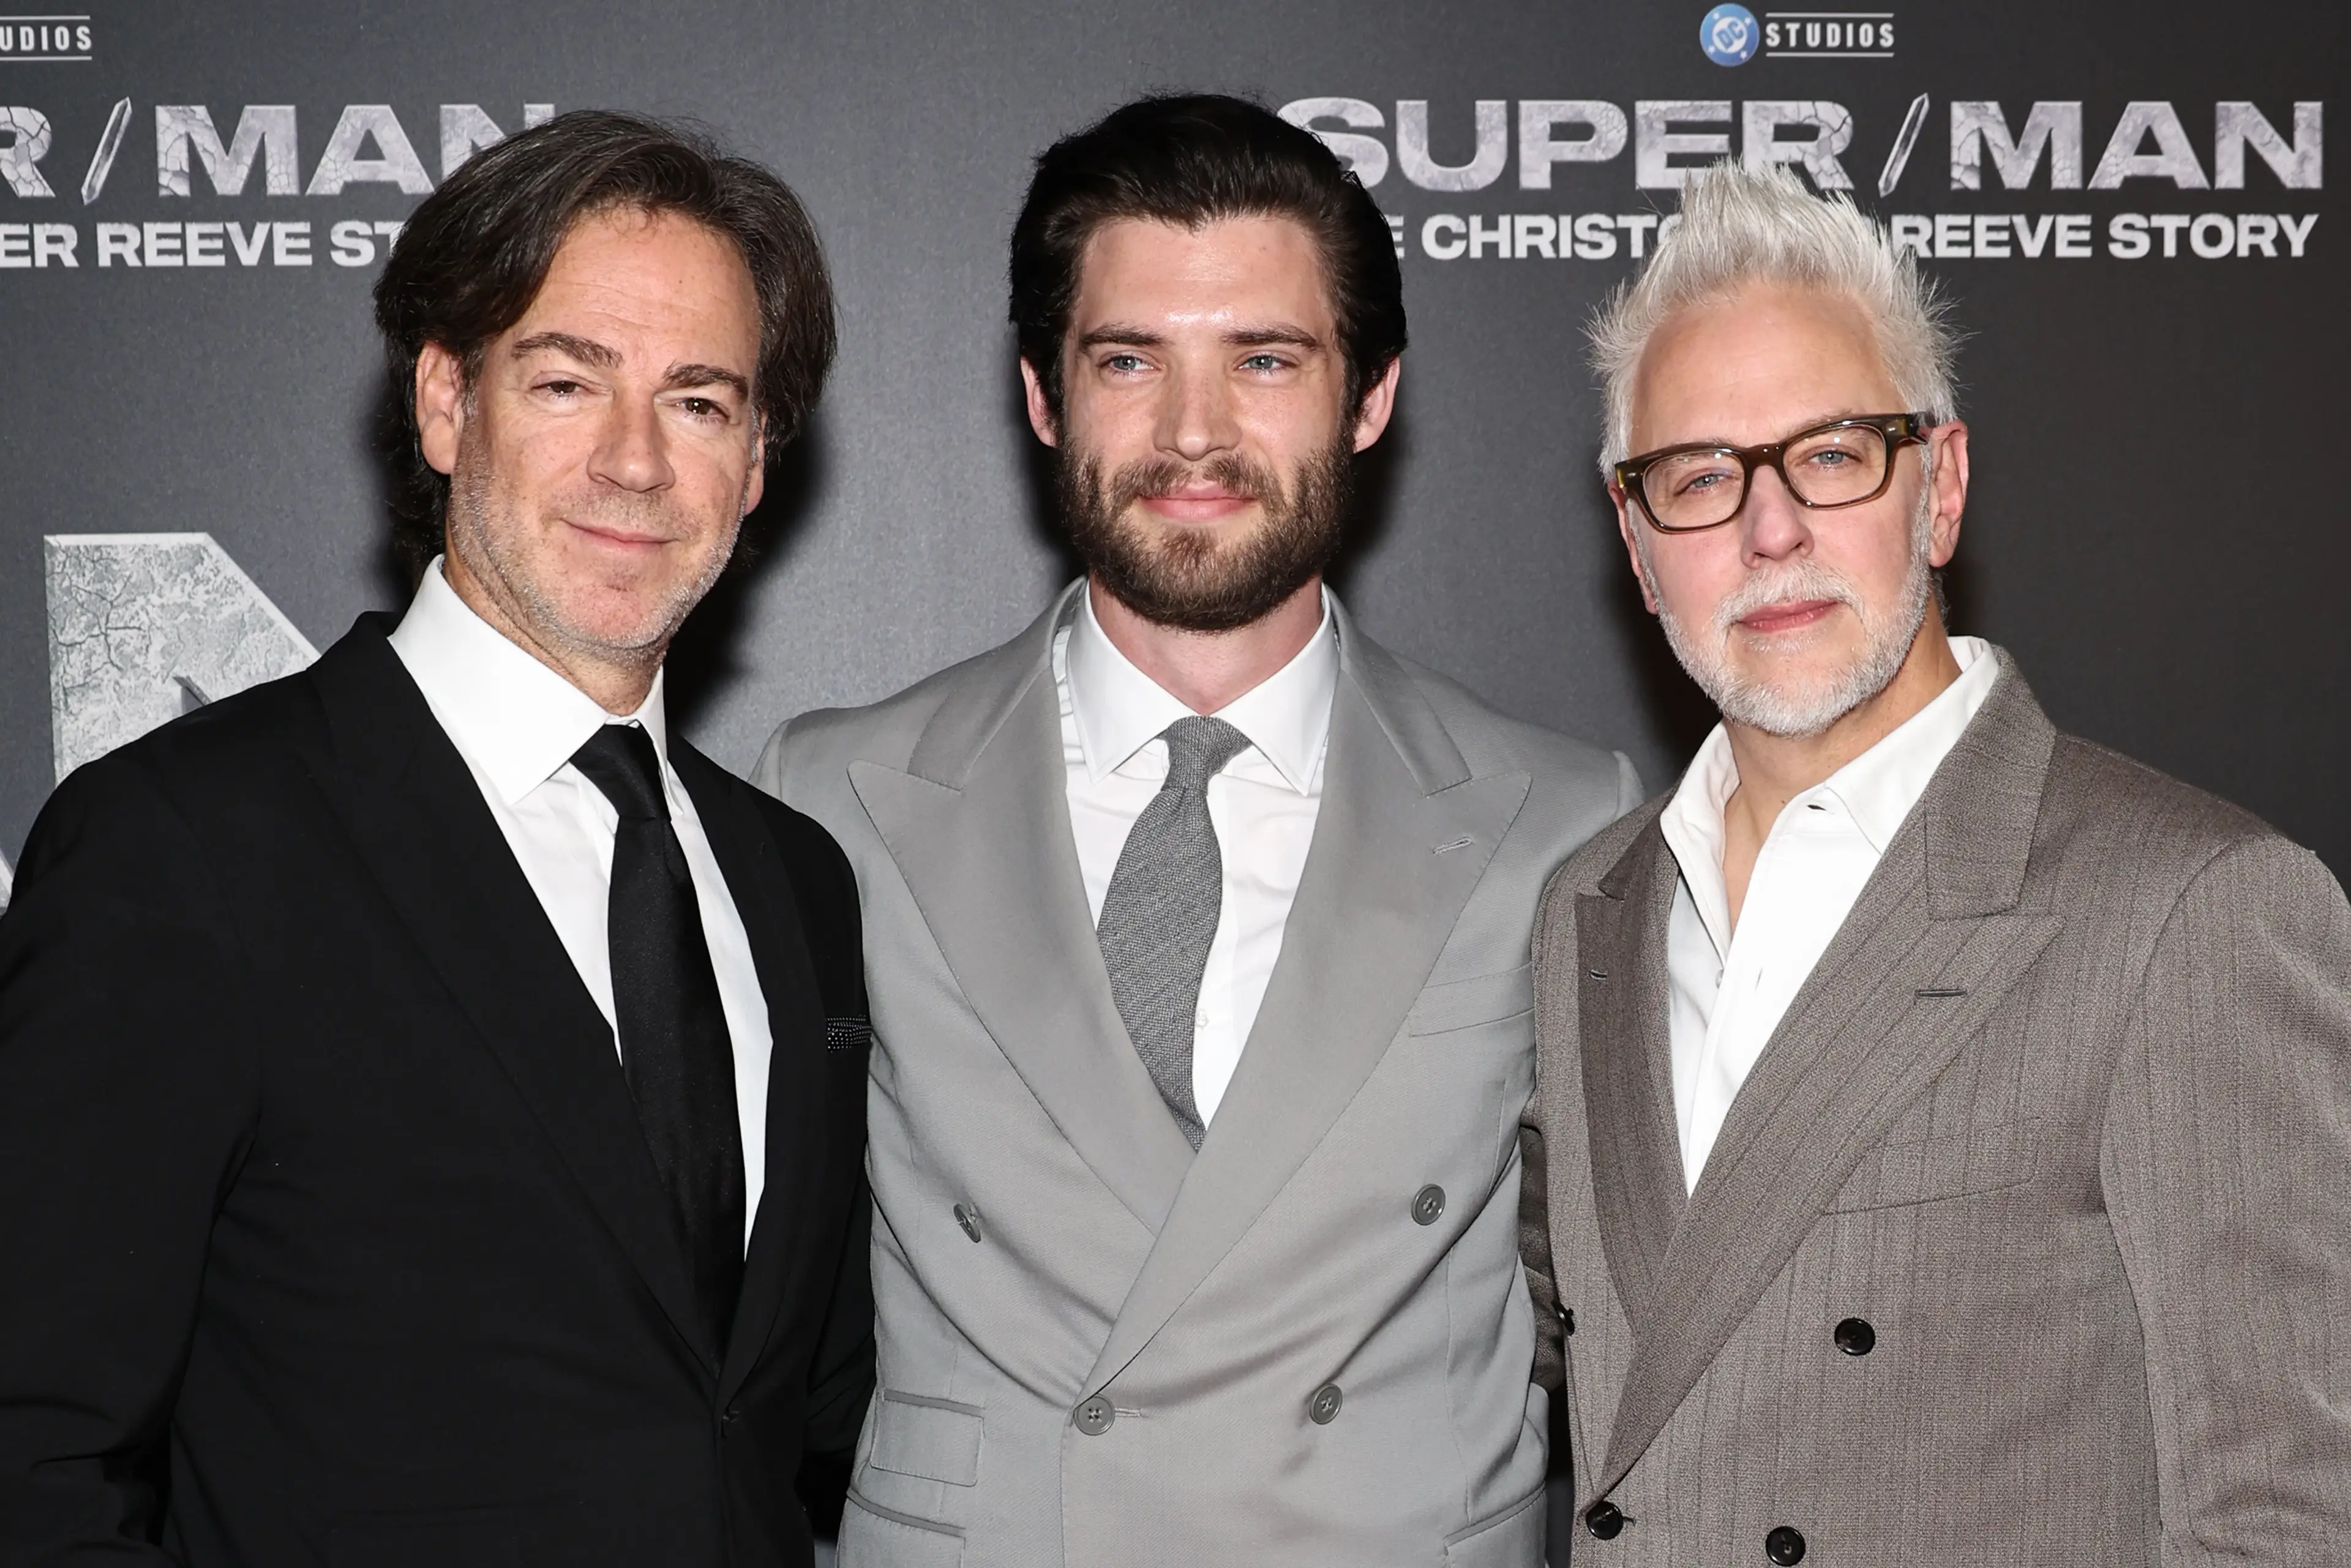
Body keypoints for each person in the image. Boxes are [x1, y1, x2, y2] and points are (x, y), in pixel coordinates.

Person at [758, 94, 1638, 1567]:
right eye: (1129, 361)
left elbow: (1612, 1300)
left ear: (1370, 396)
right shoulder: (833, 793)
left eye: (1266, 360)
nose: (1194, 433)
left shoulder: (1561, 814)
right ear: (1043, 395)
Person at [0, 112, 872, 1567]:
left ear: (760, 459)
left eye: (702, 401)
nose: (636, 461)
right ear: (446, 404)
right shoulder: (187, 845)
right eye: (566, 380)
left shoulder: (794, 880)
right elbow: (31, 1447)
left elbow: (787, 1418)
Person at [1524, 161, 2351, 1565]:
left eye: (1833, 452)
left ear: (1942, 483)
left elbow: (2287, 1513)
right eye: (1700, 476)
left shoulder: (2191, 908)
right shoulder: (1587, 910)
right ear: (1638, 541)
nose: (1769, 528)